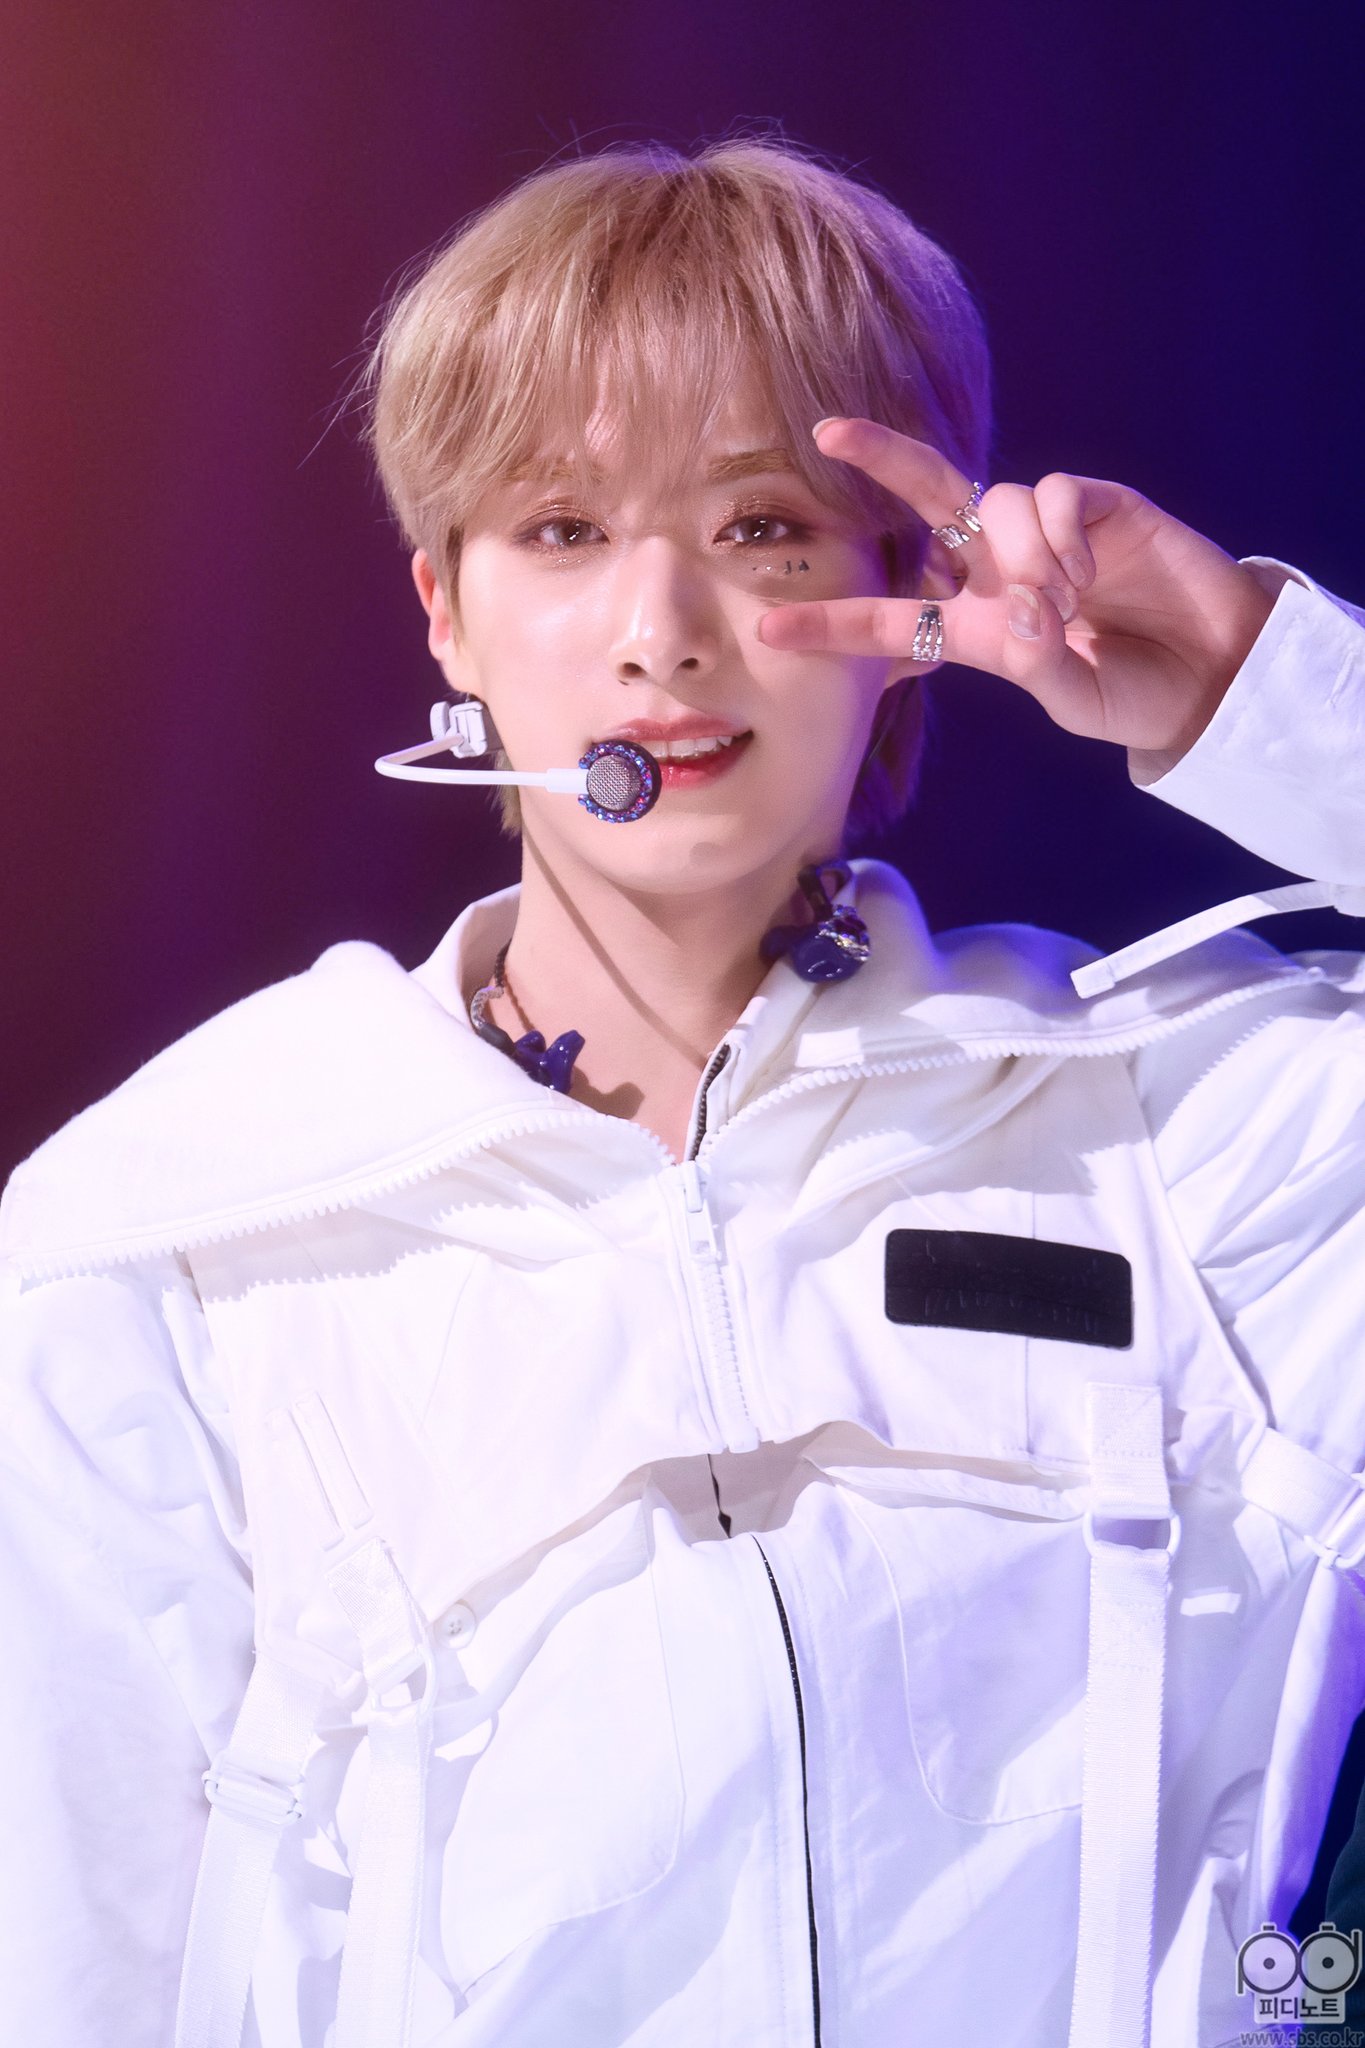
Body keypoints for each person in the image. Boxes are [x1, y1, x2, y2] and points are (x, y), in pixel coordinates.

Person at [2, 134, 1363, 2048]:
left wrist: (1255, 694)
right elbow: (80, 1960)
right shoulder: (174, 1237)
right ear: (446, 613)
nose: (661, 631)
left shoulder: (1176, 1131)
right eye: (563, 529)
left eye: (761, 526)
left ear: (918, 591)